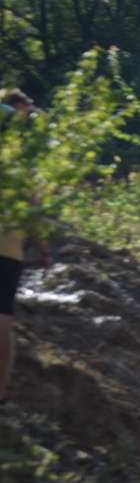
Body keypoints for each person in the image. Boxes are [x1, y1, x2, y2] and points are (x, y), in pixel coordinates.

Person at [1, 89, 50, 405]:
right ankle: (1, 392)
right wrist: (44, 250)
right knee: (2, 320)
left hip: (9, 251)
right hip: (8, 251)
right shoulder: (20, 165)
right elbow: (34, 210)